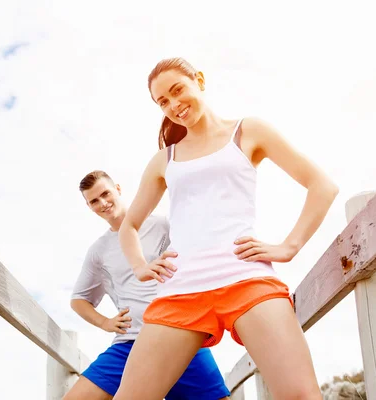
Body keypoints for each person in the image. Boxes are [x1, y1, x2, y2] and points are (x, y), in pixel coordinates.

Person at [115, 58, 339, 400]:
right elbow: (129, 225)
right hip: (181, 289)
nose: (173, 105)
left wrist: (289, 246)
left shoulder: (248, 131)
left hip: (245, 278)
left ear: (199, 81)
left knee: (301, 396)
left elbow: (322, 185)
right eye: (162, 102)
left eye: (178, 90)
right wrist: (141, 267)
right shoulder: (165, 160)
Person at [65, 170, 230, 400]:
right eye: (94, 200)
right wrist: (105, 322)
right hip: (130, 343)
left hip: (180, 336)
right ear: (89, 206)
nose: (103, 203)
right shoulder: (99, 251)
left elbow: (203, 255)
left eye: (105, 193)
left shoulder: (163, 225)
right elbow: (78, 300)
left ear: (118, 189)